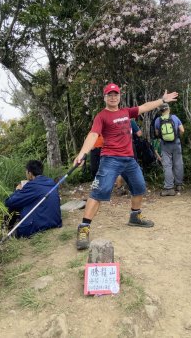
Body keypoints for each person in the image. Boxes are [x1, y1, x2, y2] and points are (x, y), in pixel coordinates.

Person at [73, 83, 178, 250]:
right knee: (99, 191)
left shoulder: (126, 112)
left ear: (119, 97)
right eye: (110, 94)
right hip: (110, 159)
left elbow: (144, 107)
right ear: (105, 97)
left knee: (139, 187)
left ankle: (135, 217)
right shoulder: (101, 116)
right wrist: (82, 153)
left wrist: (162, 100)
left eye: (116, 94)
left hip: (129, 159)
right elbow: (93, 134)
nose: (113, 97)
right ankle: (84, 227)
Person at [4, 160, 62, 238]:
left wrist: (18, 190)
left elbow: (8, 202)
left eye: (26, 171)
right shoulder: (51, 182)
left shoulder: (32, 185)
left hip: (36, 227)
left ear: (30, 173)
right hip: (55, 222)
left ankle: (6, 231)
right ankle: (8, 229)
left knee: (13, 206)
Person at [154, 103, 185, 196]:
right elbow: (182, 130)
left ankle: (169, 188)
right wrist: (178, 137)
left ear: (161, 111)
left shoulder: (158, 120)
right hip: (176, 143)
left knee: (167, 166)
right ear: (168, 109)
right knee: (178, 163)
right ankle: (178, 185)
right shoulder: (175, 118)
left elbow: (156, 133)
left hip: (165, 145)